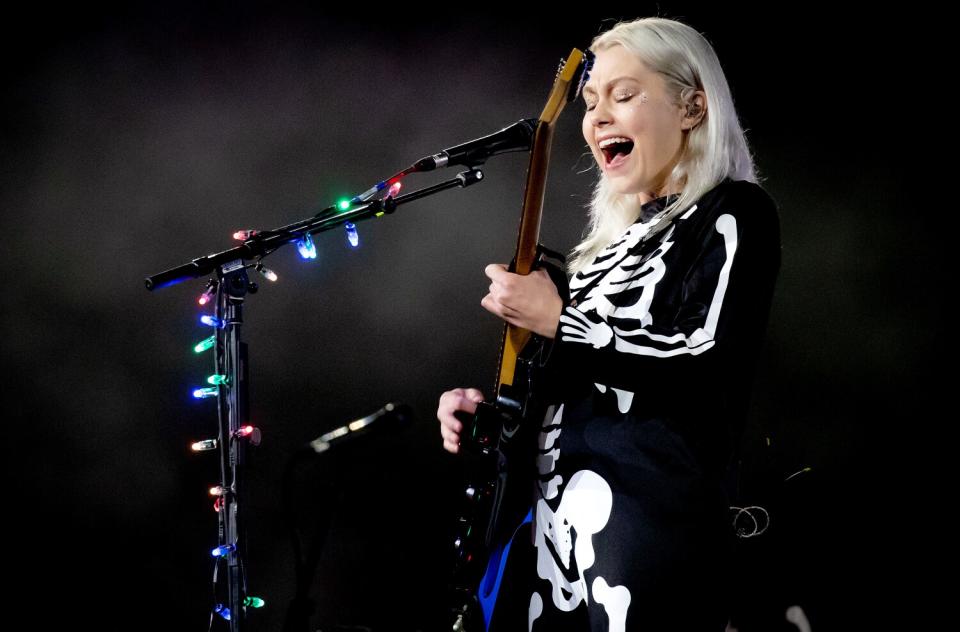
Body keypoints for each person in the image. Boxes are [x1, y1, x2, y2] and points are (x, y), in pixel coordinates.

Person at [437, 16, 780, 631]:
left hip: (649, 527)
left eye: (624, 96)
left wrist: (563, 323)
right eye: (591, 102)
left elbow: (704, 360)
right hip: (543, 539)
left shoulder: (733, 211)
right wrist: (490, 415)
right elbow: (572, 393)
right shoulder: (593, 257)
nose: (595, 118)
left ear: (693, 106)